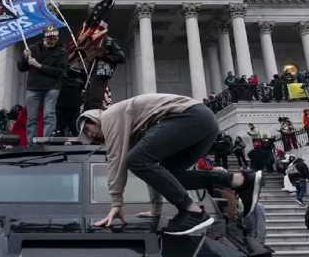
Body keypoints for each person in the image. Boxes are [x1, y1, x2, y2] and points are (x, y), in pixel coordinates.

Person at [77, 93, 263, 235]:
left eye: (88, 129)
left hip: (190, 117)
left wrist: (116, 203)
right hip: (205, 122)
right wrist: (156, 209)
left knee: (134, 160)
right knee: (168, 173)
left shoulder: (109, 117)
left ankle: (193, 212)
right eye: (86, 136)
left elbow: (117, 162)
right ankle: (238, 180)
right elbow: (155, 172)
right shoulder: (132, 129)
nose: (90, 135)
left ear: (94, 118)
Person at [17, 26, 67, 139]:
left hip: (52, 87)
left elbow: (61, 72)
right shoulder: (33, 49)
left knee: (49, 115)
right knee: (31, 118)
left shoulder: (61, 52)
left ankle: (47, 141)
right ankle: (31, 143)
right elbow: (21, 68)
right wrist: (24, 57)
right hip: (33, 87)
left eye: (54, 38)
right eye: (49, 38)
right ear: (44, 38)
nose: (52, 41)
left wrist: (39, 66)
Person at [83, 36, 126, 110]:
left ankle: (95, 118)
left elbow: (121, 57)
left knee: (95, 101)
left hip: (101, 75)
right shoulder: (91, 42)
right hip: (90, 75)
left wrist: (104, 56)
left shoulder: (108, 41)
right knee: (88, 101)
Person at [56, 67, 85, 136]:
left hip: (64, 105)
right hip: (72, 105)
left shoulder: (61, 77)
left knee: (62, 127)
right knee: (74, 128)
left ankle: (60, 132)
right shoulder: (80, 78)